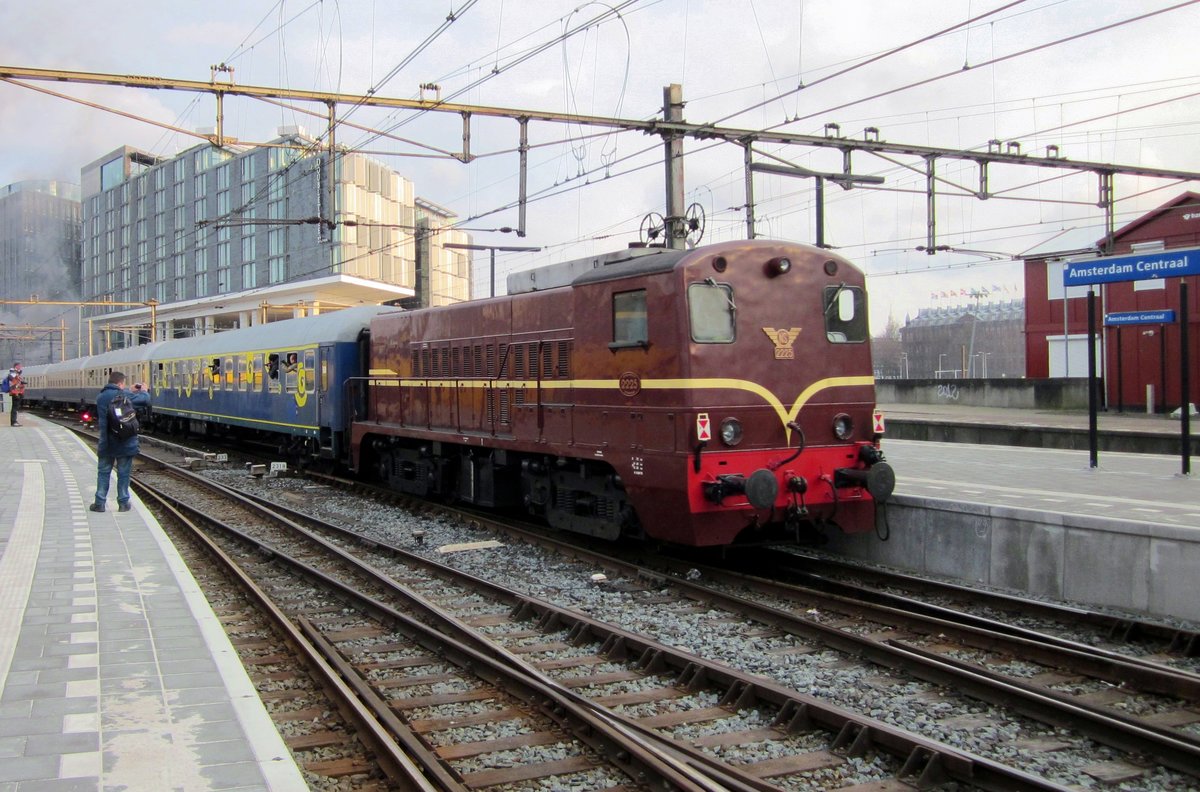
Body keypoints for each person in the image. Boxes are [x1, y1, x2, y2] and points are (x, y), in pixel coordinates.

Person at [90, 371, 151, 514]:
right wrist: (143, 391)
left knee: (103, 472)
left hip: (107, 442)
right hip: (125, 441)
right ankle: (123, 503)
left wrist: (127, 391)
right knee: (123, 473)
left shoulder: (101, 397)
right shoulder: (124, 395)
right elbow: (145, 400)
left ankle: (100, 503)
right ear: (120, 383)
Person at [6, 362, 23, 426]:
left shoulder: (16, 373)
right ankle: (14, 422)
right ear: (16, 366)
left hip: (17, 392)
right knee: (15, 408)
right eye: (19, 366)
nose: (20, 367)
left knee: (15, 407)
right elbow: (13, 384)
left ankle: (14, 421)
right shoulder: (13, 374)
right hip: (15, 393)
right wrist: (16, 394)